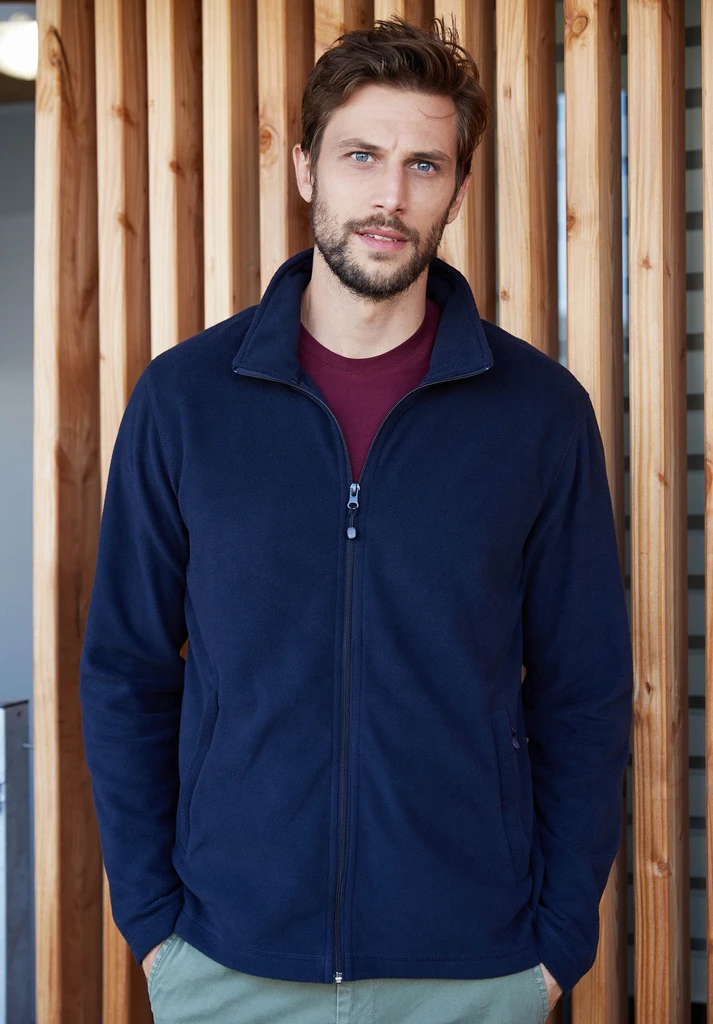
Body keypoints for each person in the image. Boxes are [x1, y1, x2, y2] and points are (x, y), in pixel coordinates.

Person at [79, 16, 633, 1024]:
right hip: (227, 965)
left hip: (474, 971)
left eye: (424, 164)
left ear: (456, 189)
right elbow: (125, 671)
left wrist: (555, 944)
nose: (390, 196)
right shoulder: (185, 401)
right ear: (305, 169)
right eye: (360, 156)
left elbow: (583, 691)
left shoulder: (539, 415)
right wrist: (157, 925)